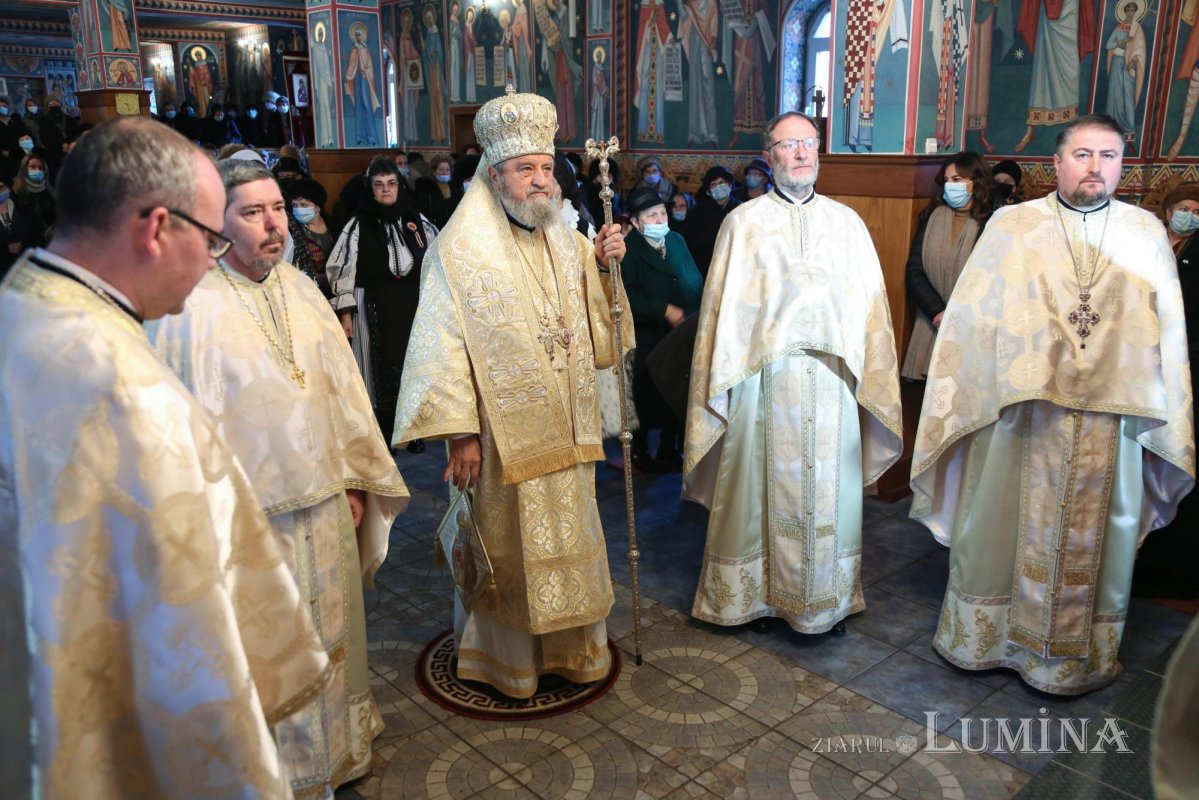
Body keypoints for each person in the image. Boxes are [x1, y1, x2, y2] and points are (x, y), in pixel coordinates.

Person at [0, 116, 330, 797]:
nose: (212, 261)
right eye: (211, 238)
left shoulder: (23, 304)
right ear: (156, 228)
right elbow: (186, 628)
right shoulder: (119, 388)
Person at [147, 158, 410, 796]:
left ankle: (337, 751)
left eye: (277, 210)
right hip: (249, 526)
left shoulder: (302, 290)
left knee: (331, 639)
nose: (273, 225)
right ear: (215, 223)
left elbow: (344, 395)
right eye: (252, 212)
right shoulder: (186, 309)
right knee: (265, 650)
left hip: (326, 507)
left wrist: (354, 481)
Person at [910, 115, 1194, 695]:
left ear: (1122, 166)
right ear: (1058, 162)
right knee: (1001, 523)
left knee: (1095, 539)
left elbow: (1167, 332)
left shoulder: (1144, 232)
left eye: (1109, 156)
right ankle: (986, 641)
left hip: (1109, 420)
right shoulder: (1013, 225)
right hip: (1024, 414)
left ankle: (1073, 658)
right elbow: (974, 317)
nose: (1095, 167)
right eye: (1083, 155)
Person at [393, 88, 631, 699]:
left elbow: (602, 335)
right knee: (508, 553)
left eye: (547, 167)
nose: (540, 181)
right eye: (525, 168)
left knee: (571, 539)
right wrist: (461, 435)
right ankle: (508, 664)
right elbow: (440, 348)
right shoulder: (458, 252)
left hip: (568, 433)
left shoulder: (567, 240)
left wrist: (607, 269)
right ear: (494, 175)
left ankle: (573, 652)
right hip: (502, 442)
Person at [686, 111, 903, 636]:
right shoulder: (743, 224)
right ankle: (756, 599)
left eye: (809, 143)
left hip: (832, 383)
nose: (802, 153)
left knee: (828, 492)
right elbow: (721, 316)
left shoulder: (847, 224)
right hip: (763, 382)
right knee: (757, 488)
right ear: (770, 156)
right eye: (789, 144)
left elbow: (871, 312)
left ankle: (825, 601)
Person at [327, 155, 439, 449]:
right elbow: (341, 268)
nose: (386, 189)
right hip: (371, 306)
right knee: (374, 374)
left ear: (400, 186)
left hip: (411, 306)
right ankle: (382, 435)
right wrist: (346, 314)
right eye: (379, 184)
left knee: (411, 368)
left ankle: (411, 432)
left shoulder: (417, 222)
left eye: (391, 183)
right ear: (371, 188)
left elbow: (437, 257)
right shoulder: (357, 224)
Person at [1129, 182, 1199, 601]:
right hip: (1138, 362)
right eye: (1184, 207)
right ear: (1169, 210)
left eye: (1197, 209)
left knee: (1171, 451)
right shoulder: (1148, 241)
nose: (1190, 214)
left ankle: (1166, 565)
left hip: (1183, 361)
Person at [622, 186, 703, 473]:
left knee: (677, 388)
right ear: (636, 222)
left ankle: (670, 447)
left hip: (680, 331)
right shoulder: (629, 249)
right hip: (648, 333)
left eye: (662, 214)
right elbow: (626, 294)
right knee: (645, 391)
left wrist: (696, 311)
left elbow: (693, 278)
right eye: (651, 216)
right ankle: (640, 450)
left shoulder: (676, 240)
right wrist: (663, 309)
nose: (660, 220)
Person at [901, 152, 994, 380]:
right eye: (946, 180)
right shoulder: (933, 216)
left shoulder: (992, 222)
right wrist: (937, 311)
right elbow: (914, 270)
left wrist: (957, 314)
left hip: (973, 324)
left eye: (957, 180)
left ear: (976, 182)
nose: (950, 185)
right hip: (931, 320)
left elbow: (992, 278)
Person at [285, 175, 338, 298]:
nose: (298, 210)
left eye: (304, 205)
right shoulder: (292, 230)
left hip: (336, 291)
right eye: (295, 205)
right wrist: (317, 278)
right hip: (307, 293)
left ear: (317, 207)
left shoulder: (335, 226)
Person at [683, 165, 739, 278]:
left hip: (734, 260)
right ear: (709, 190)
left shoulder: (740, 208)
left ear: (729, 184)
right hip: (706, 262)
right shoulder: (699, 211)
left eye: (721, 182)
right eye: (714, 184)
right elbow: (692, 239)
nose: (718, 187)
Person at [0, 163, 47, 279]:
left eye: (1, 188)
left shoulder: (28, 211)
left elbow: (43, 237)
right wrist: (6, 249)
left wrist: (24, 246)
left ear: (8, 189)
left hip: (33, 271)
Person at [12, 152, 55, 229]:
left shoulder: (49, 189)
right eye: (33, 167)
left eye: (40, 168)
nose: (37, 170)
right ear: (24, 169)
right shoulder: (15, 192)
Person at [414, 154, 456, 228]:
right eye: (440, 169)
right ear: (434, 172)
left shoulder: (455, 188)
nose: (444, 172)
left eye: (447, 170)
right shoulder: (427, 189)